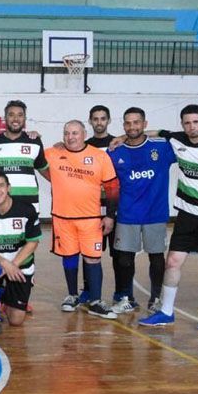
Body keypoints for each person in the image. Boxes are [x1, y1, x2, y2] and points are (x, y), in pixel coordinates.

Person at [138, 104, 198, 331]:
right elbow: (155, 133)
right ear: (182, 124)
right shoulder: (178, 140)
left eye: (196, 122)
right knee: (173, 262)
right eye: (187, 123)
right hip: (187, 214)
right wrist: (120, 137)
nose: (191, 127)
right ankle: (166, 312)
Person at [45, 120, 118, 319]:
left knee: (92, 258)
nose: (70, 137)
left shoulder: (99, 156)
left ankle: (95, 301)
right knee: (69, 256)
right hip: (62, 218)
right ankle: (72, 296)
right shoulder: (52, 153)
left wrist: (110, 216)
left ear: (84, 134)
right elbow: (39, 164)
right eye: (66, 133)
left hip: (91, 218)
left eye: (75, 133)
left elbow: (112, 188)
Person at [108, 107, 176, 314]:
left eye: (136, 122)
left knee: (156, 257)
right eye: (127, 123)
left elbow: (187, 141)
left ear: (145, 124)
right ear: (123, 126)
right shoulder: (115, 151)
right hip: (127, 214)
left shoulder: (162, 148)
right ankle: (127, 298)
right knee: (124, 258)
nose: (132, 127)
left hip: (155, 213)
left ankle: (155, 298)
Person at [0, 172, 41, 340]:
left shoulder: (26, 210)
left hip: (21, 266)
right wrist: (5, 263)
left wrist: (14, 264)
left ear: (8, 188)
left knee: (16, 320)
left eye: (0, 186)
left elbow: (33, 242)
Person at [78, 105, 116, 305]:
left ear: (109, 120)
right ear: (90, 121)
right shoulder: (84, 145)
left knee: (119, 255)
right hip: (90, 208)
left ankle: (122, 294)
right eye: (95, 118)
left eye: (103, 118)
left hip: (114, 207)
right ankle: (88, 290)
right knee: (90, 253)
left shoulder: (117, 144)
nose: (99, 122)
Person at [0, 100, 49, 213]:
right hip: (0, 206)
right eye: (11, 115)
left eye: (20, 115)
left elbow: (44, 169)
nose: (15, 119)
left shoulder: (34, 141)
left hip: (29, 205)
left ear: (24, 118)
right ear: (5, 118)